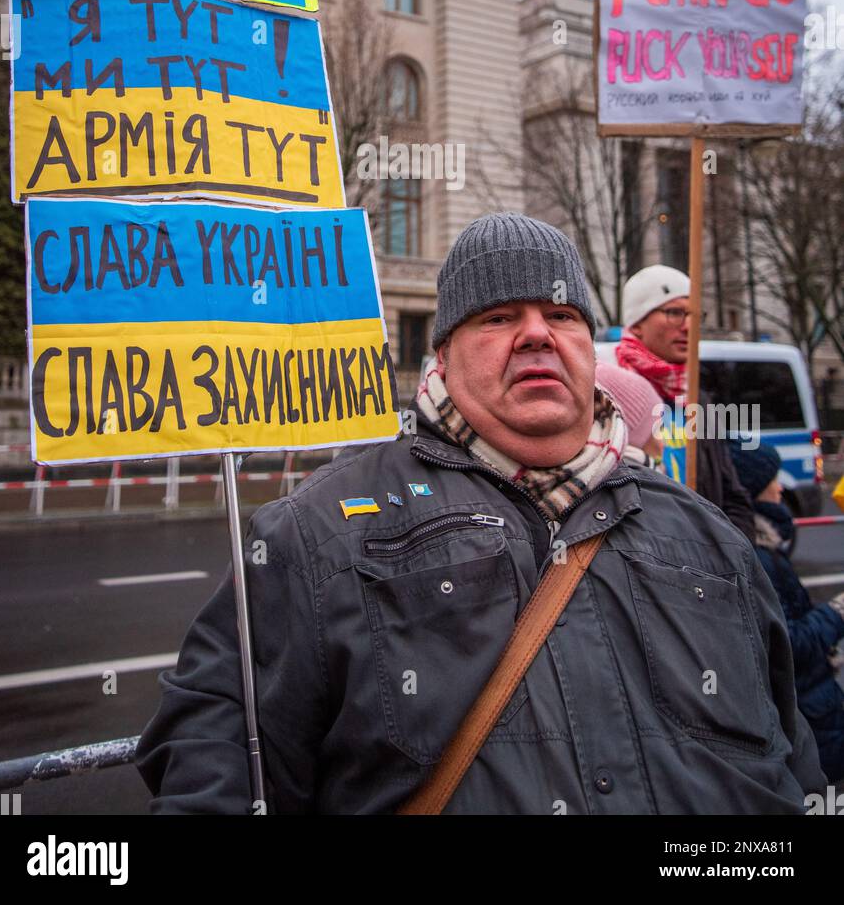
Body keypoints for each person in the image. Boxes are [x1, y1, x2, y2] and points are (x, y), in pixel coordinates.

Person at [136, 213, 821, 814]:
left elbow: (789, 753)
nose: (535, 336)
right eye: (496, 318)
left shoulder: (703, 532)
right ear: (443, 354)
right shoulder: (318, 529)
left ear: (589, 346)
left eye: (560, 317)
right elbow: (214, 740)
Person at [731, 443, 844, 784]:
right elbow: (788, 644)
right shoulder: (756, 557)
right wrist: (837, 612)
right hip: (808, 716)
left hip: (812, 708)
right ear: (752, 489)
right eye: (771, 480)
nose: (780, 486)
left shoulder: (763, 547)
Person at [616, 264, 755, 541]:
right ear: (638, 323)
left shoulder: (697, 399)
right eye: (674, 313)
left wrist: (731, 553)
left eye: (693, 315)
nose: (689, 326)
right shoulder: (610, 395)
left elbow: (731, 493)